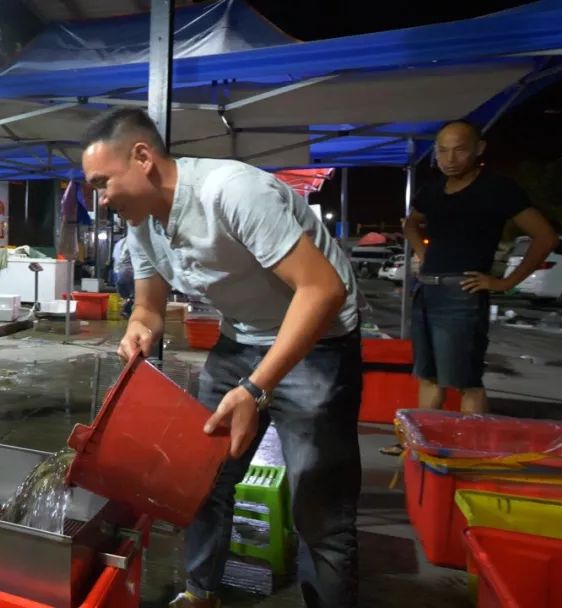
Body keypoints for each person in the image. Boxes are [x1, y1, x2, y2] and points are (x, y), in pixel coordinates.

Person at [81, 108, 362, 608]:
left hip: (318, 340)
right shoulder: (145, 223)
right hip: (242, 339)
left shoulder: (231, 191)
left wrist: (256, 389)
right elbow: (148, 304)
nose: (101, 200)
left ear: (142, 157)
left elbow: (323, 290)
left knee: (319, 507)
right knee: (204, 479)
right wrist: (138, 330)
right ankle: (201, 592)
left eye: (102, 183)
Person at [405, 121, 558, 414]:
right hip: (426, 290)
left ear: (479, 149)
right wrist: (424, 252)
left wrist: (504, 282)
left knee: (467, 381)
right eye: (442, 151)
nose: (449, 159)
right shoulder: (432, 189)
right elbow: (411, 223)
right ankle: (417, 450)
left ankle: (468, 454)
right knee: (428, 377)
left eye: (459, 150)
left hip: (463, 294)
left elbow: (546, 237)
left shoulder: (497, 188)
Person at [111, 235, 135, 317]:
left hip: (119, 272)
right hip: (131, 272)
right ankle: (128, 309)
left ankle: (126, 309)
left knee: (124, 295)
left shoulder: (119, 243)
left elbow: (115, 258)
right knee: (134, 294)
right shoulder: (135, 242)